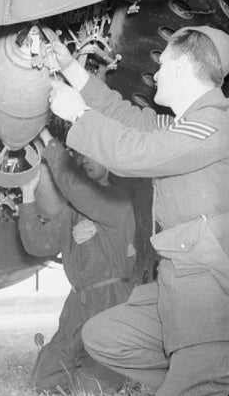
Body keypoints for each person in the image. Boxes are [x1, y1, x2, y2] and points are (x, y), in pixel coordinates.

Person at [48, 26, 229, 394]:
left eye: (162, 65)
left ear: (181, 68)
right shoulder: (185, 125)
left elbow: (137, 153)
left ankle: (202, 377)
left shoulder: (214, 126)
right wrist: (71, 69)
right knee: (103, 335)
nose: (156, 74)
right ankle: (192, 377)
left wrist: (79, 116)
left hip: (207, 296)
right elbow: (124, 116)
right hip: (177, 288)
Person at [19, 128, 136, 393]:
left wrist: (47, 139)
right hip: (78, 304)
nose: (85, 160)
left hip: (111, 300)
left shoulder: (117, 200)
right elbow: (37, 245)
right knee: (44, 380)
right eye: (81, 155)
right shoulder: (72, 210)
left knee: (91, 388)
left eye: (93, 155)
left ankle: (123, 374)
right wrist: (27, 195)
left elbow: (78, 191)